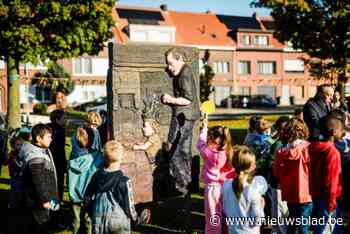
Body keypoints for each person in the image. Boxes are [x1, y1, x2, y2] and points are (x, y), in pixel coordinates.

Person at [85, 140, 151, 234]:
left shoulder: (97, 176)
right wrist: (137, 219)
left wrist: (92, 211)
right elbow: (129, 206)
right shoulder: (124, 181)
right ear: (122, 158)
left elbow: (87, 197)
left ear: (104, 157)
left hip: (98, 219)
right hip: (118, 222)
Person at [161, 47, 200, 194]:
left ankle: (181, 183)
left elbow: (187, 99)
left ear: (180, 59)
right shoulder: (182, 72)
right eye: (167, 64)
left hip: (186, 117)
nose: (169, 68)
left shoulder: (184, 75)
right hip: (184, 116)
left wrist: (170, 99)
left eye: (171, 63)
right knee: (181, 148)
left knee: (178, 150)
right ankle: (185, 182)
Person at [196, 115, 235, 234]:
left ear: (213, 139)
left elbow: (200, 144)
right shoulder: (229, 151)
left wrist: (204, 128)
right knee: (228, 213)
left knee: (213, 215)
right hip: (227, 186)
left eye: (209, 138)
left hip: (213, 189)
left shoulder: (210, 153)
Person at [273, 118, 312, 234]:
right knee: (303, 224)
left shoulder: (281, 152)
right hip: (306, 192)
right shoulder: (307, 149)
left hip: (289, 192)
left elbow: (276, 172)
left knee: (293, 221)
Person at [309, 114, 343, 234]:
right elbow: (331, 180)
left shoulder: (311, 147)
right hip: (328, 199)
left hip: (313, 195)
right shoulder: (332, 152)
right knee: (325, 229)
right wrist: (331, 203)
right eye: (341, 130)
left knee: (320, 227)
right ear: (334, 132)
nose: (342, 133)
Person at [22, 124, 58, 234]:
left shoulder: (42, 150)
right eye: (48, 137)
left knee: (41, 223)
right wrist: (44, 199)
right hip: (39, 200)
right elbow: (38, 181)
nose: (51, 139)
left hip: (45, 197)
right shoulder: (35, 157)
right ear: (38, 138)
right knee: (39, 224)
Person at [68, 127, 104, 234]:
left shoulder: (72, 158)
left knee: (76, 219)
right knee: (89, 219)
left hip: (74, 194)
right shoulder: (96, 157)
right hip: (89, 194)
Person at [222, 146, 264, 234]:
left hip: (232, 230)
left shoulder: (226, 185)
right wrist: (261, 206)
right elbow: (257, 221)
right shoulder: (253, 192)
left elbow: (225, 209)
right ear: (252, 167)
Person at [47, 109, 66, 203]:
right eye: (64, 118)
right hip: (57, 161)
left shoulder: (47, 128)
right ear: (57, 120)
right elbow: (59, 149)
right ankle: (57, 202)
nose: (66, 120)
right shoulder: (59, 131)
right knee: (58, 183)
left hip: (48, 160)